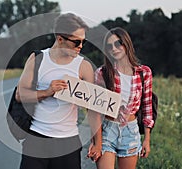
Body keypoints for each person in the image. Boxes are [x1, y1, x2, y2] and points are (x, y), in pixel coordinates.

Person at [16, 13, 96, 169]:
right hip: (37, 138)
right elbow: (20, 95)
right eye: (76, 42)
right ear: (60, 39)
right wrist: (47, 92)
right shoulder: (37, 58)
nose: (80, 46)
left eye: (83, 42)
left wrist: (97, 142)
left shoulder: (83, 66)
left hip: (68, 142)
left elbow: (93, 107)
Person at [87, 27, 154, 169]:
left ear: (126, 43)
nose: (114, 49)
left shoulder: (144, 73)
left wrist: (147, 140)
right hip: (107, 130)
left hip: (130, 131)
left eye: (118, 44)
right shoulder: (102, 73)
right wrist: (96, 142)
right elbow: (95, 111)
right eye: (109, 46)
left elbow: (147, 108)